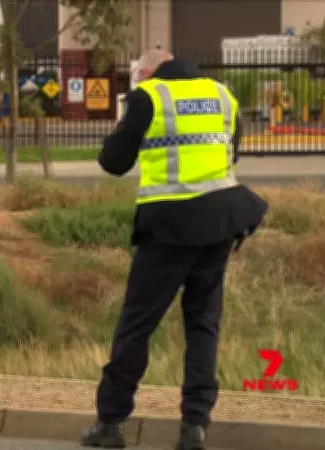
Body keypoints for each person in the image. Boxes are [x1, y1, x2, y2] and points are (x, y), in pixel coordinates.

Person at [80, 50, 269, 450]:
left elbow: (113, 162)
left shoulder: (149, 96)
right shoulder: (221, 94)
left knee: (137, 323)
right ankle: (195, 426)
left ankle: (110, 423)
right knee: (203, 324)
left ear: (147, 72)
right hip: (219, 223)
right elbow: (231, 153)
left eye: (138, 76)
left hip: (168, 227)